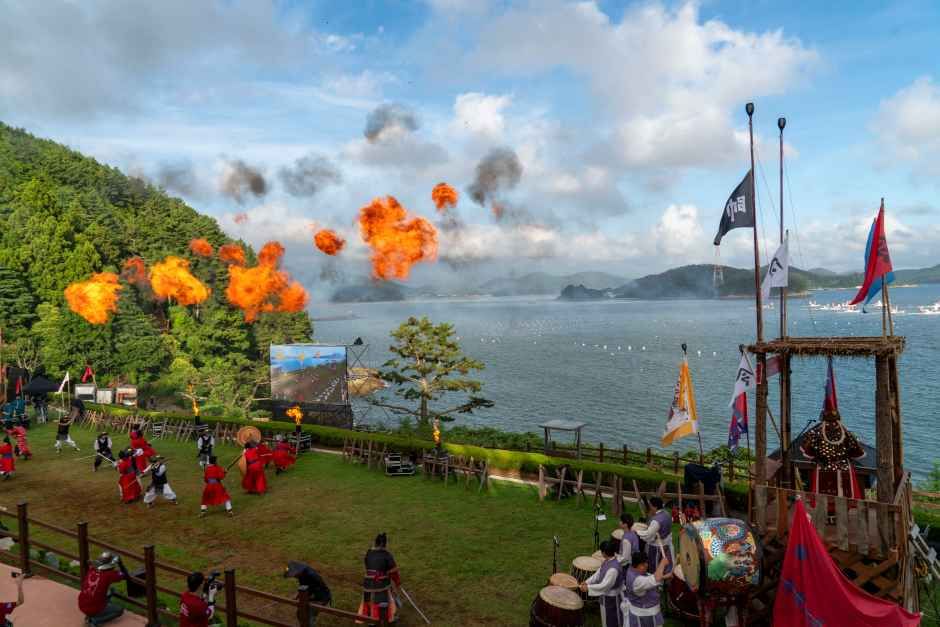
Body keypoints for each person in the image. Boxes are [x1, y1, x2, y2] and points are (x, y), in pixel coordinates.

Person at [800, 407, 866, 499]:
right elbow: (858, 452)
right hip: (844, 468)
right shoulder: (847, 433)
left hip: (823, 467)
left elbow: (808, 453)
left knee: (822, 498)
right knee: (845, 497)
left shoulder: (815, 433)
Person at [358, 532, 401, 624]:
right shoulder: (386, 554)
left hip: (368, 583)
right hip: (381, 584)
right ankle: (388, 618)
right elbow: (393, 571)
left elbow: (368, 567)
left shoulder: (369, 553)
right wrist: (397, 583)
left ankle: (370, 618)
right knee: (384, 599)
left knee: (369, 600)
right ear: (383, 544)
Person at [78, 552, 129, 625]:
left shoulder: (92, 569)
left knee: (110, 590)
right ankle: (94, 621)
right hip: (94, 608)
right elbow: (125, 574)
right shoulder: (109, 575)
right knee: (119, 610)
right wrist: (120, 564)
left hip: (82, 604)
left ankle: (90, 615)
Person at [581, 540, 623, 627]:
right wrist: (587, 581)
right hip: (606, 595)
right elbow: (598, 574)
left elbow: (604, 585)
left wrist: (588, 588)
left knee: (611, 619)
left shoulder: (613, 569)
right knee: (605, 618)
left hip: (611, 599)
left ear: (604, 553)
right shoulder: (607, 561)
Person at [621, 552, 670, 627]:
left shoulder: (632, 569)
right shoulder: (636, 581)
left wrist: (664, 576)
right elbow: (655, 579)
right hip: (645, 616)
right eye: (644, 564)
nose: (647, 565)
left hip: (646, 612)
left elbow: (649, 577)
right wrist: (662, 563)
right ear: (638, 565)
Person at [284, 561, 332, 626]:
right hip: (311, 596)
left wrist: (303, 598)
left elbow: (313, 590)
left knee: (309, 614)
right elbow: (303, 586)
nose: (294, 576)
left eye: (294, 575)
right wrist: (298, 595)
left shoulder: (311, 575)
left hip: (321, 598)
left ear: (298, 572)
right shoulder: (301, 575)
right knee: (300, 613)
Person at [636, 497, 674, 576]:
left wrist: (637, 532)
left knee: (654, 565)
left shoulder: (656, 521)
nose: (650, 507)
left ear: (655, 507)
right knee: (664, 563)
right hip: (666, 544)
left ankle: (656, 579)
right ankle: (664, 575)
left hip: (656, 547)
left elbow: (648, 535)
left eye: (651, 505)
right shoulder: (667, 514)